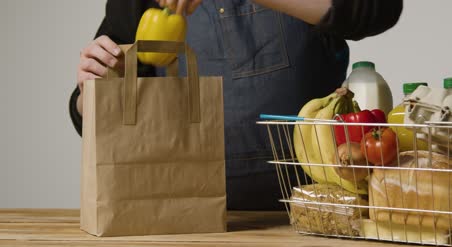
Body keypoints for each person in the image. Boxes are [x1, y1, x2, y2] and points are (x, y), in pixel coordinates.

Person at [70, 0, 403, 210]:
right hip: (186, 218)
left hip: (319, 213)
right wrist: (93, 92)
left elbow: (377, 9)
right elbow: (90, 117)